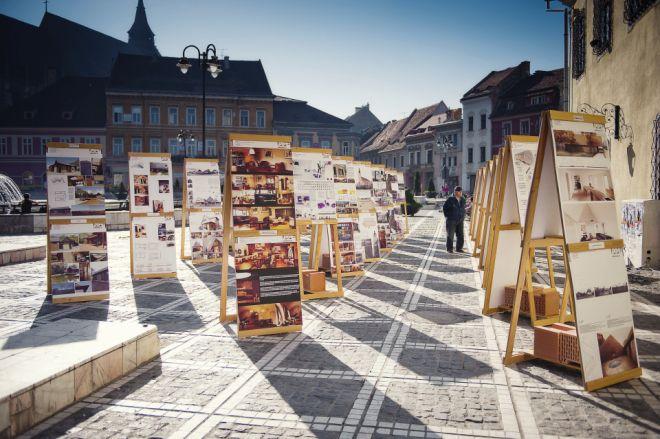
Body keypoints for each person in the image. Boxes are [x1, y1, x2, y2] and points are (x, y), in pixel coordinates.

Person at [442, 186, 466, 253]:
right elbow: (444, 208)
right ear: (455, 192)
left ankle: (459, 248)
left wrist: (463, 215)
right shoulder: (450, 199)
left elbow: (463, 208)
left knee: (460, 234)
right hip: (451, 220)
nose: (460, 193)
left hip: (460, 220)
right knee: (450, 234)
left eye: (460, 192)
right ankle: (449, 249)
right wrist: (448, 217)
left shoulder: (463, 199)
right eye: (458, 192)